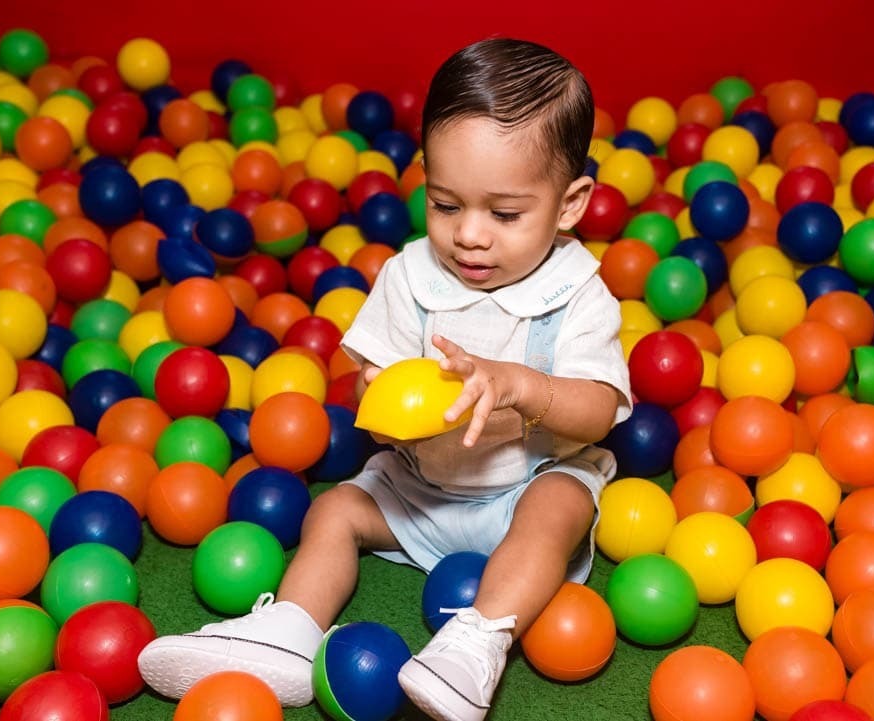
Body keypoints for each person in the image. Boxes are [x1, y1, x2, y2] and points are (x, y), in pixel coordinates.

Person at [138, 37, 632, 721]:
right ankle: (289, 629)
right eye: (446, 204)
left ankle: (477, 641)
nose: (470, 235)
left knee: (562, 503)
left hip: (520, 491)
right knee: (335, 510)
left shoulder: (578, 293)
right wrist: (376, 390)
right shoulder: (411, 275)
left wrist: (520, 386)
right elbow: (368, 388)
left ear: (570, 204)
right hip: (419, 491)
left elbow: (599, 410)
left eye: (505, 214)